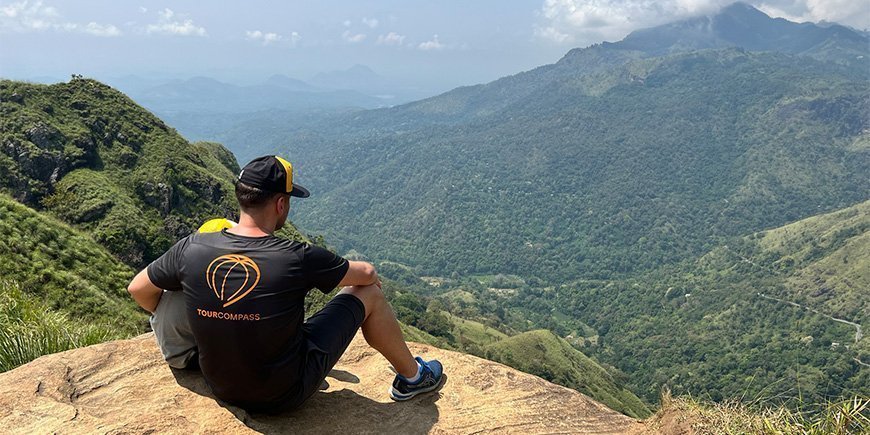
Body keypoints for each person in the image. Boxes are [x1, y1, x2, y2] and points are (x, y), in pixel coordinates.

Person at [127, 155, 444, 413]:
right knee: (368, 294)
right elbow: (366, 274)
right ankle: (413, 377)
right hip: (284, 394)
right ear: (280, 204)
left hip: (220, 386)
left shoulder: (191, 247)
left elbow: (138, 289)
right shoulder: (295, 256)